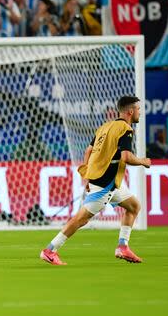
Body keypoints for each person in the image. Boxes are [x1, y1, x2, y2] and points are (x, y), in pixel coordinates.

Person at [39, 96, 152, 266]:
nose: (140, 112)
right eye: (138, 109)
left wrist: (88, 176)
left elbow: (88, 151)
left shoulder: (105, 127)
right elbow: (126, 157)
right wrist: (143, 161)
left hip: (106, 182)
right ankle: (50, 250)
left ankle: (122, 247)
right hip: (105, 184)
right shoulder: (125, 129)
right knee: (81, 219)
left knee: (134, 206)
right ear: (130, 111)